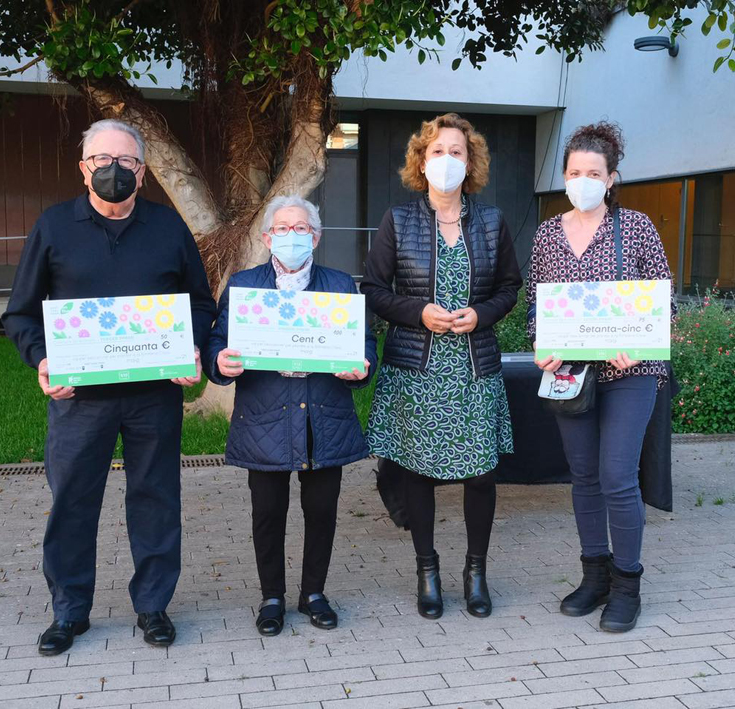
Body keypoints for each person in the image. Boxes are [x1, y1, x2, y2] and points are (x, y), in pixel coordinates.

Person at [2, 119, 216, 654]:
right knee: (72, 503)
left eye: (126, 162)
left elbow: (201, 303)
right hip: (79, 401)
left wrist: (188, 346)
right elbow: (20, 313)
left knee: (156, 501)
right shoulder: (53, 228)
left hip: (153, 397)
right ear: (83, 168)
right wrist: (42, 359)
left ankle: (153, 607)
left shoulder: (169, 228)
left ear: (142, 173)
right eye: (102, 160)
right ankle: (69, 612)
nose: (114, 170)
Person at [362, 113, 521, 620]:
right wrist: (417, 312)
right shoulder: (398, 220)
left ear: (470, 161)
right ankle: (426, 570)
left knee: (480, 477)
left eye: (457, 151)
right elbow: (373, 289)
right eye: (437, 151)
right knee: (418, 474)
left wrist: (482, 314)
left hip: (473, 371)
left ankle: (476, 572)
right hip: (417, 371)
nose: (447, 160)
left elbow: (510, 288)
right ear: (421, 161)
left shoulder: (493, 221)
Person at [528, 121, 674, 633]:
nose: (583, 179)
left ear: (612, 177)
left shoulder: (635, 228)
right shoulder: (548, 233)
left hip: (631, 372)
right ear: (564, 175)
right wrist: (541, 345)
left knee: (616, 476)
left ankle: (627, 584)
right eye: (574, 171)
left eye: (594, 172)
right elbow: (536, 307)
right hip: (571, 373)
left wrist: (638, 345)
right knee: (584, 475)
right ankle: (594, 575)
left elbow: (664, 301)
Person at [208, 195, 377, 637]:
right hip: (264, 418)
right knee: (268, 512)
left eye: (301, 228)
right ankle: (272, 597)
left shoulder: (340, 286)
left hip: (325, 418)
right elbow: (217, 341)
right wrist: (218, 362)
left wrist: (362, 365)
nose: (291, 236)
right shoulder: (245, 287)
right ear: (266, 238)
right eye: (281, 228)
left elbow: (366, 345)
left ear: (316, 238)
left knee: (322, 511)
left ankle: (314, 594)